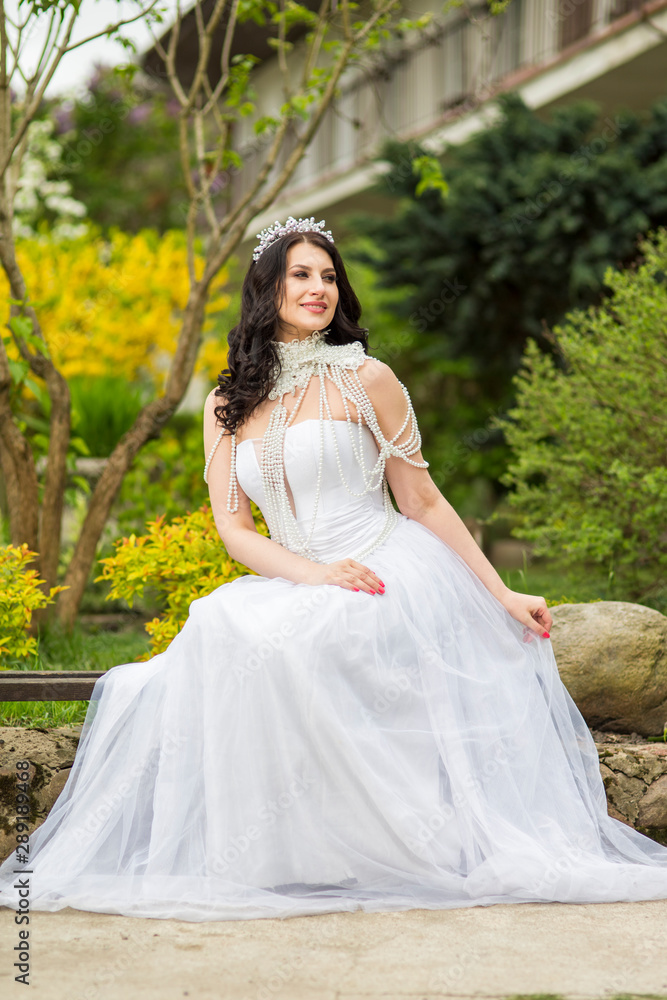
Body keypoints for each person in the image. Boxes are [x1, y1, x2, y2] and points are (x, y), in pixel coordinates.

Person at [1, 215, 667, 924]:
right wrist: (307, 575)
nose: (318, 288)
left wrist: (500, 591)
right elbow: (232, 529)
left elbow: (421, 498)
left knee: (313, 638)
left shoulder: (366, 379)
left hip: (387, 569)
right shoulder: (228, 403)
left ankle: (377, 849)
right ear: (267, 289)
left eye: (327, 276)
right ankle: (278, 857)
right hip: (297, 572)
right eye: (300, 274)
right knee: (219, 627)